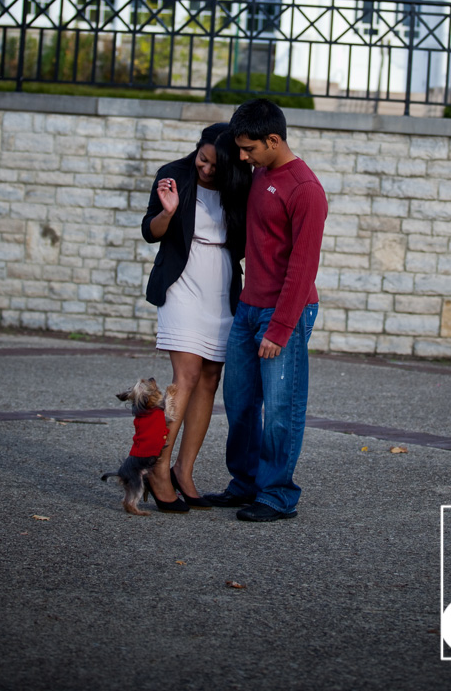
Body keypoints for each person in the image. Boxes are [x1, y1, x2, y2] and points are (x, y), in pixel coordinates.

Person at [205, 98, 328, 522]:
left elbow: (302, 266)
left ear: (274, 140)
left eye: (250, 149)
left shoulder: (305, 189)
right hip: (248, 309)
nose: (243, 157)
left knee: (280, 410)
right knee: (239, 403)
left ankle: (276, 495)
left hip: (284, 315)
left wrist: (279, 329)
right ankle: (245, 484)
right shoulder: (260, 173)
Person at [140, 122, 250, 512]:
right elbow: (150, 232)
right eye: (203, 159)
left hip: (220, 284)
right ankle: (158, 468)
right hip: (181, 282)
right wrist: (168, 213)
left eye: (215, 166)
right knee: (185, 376)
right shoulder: (174, 175)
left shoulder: (240, 183)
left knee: (209, 378)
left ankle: (184, 472)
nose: (206, 170)